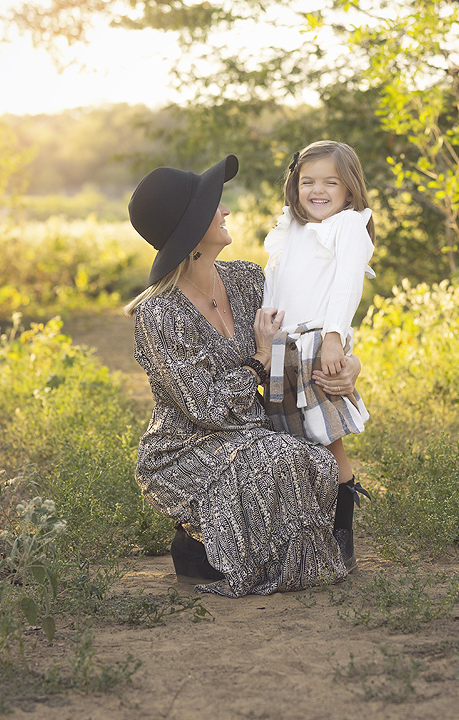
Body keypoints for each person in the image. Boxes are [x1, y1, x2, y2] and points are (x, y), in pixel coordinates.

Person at [126, 154, 363, 597]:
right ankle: (202, 541)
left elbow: (305, 332)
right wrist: (257, 358)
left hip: (253, 431)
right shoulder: (159, 313)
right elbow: (207, 408)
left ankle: (213, 549)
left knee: (315, 461)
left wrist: (350, 362)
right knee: (282, 461)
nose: (225, 211)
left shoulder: (248, 281)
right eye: (213, 206)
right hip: (187, 447)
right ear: (191, 227)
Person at [262, 141, 375, 568]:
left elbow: (347, 285)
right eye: (308, 181)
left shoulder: (348, 226)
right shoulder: (289, 226)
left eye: (331, 181)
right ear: (295, 185)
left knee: (328, 441)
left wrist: (333, 338)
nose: (318, 190)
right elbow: (275, 281)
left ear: (349, 190)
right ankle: (305, 529)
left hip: (317, 346)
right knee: (289, 440)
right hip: (280, 347)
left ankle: (341, 529)